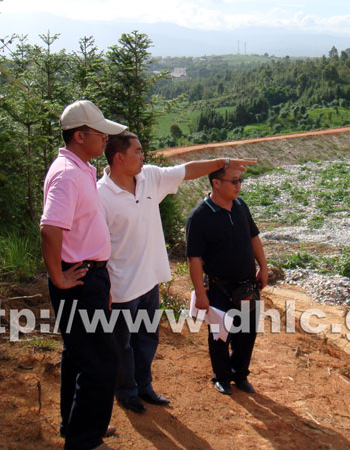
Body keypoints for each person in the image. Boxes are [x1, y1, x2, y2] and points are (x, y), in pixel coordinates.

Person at [97, 130, 257, 412]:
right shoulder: (100, 195)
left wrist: (224, 161)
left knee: (147, 338)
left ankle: (144, 387)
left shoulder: (149, 177)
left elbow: (188, 170)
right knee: (122, 344)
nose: (143, 156)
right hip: (120, 286)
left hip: (149, 281)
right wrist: (102, 285)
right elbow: (96, 244)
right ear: (119, 157)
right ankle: (126, 393)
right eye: (138, 151)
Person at [40, 100, 126, 450]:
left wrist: (101, 279)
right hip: (78, 281)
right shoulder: (68, 174)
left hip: (89, 278)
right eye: (100, 133)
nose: (106, 138)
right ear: (79, 136)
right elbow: (50, 228)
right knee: (101, 362)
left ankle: (75, 424)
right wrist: (59, 277)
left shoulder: (80, 169)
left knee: (79, 357)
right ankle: (84, 440)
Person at [185, 166, 268, 395]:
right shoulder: (199, 216)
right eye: (234, 181)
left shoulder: (240, 206)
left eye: (240, 180)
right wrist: (200, 293)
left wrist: (263, 266)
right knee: (219, 336)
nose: (238, 185)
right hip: (219, 288)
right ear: (216, 183)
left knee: (247, 334)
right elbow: (194, 258)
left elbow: (253, 237)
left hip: (246, 285)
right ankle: (221, 377)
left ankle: (240, 375)